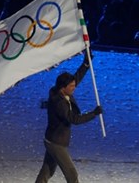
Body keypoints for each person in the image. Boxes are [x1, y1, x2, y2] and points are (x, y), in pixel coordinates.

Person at [35, 50, 103, 183]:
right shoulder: (59, 103)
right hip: (56, 143)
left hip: (52, 139)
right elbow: (74, 119)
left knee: (47, 171)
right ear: (62, 87)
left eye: (73, 85)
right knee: (71, 174)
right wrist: (93, 114)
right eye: (71, 86)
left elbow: (77, 77)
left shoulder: (62, 92)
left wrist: (86, 63)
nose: (74, 87)